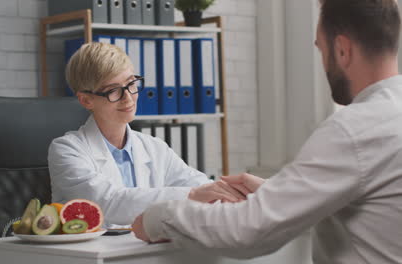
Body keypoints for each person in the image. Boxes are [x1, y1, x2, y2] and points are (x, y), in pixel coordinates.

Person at [132, 0, 402, 263]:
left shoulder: (355, 128)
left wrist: (159, 217)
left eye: (321, 50)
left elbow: (246, 232)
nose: (324, 63)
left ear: (342, 50)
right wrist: (279, 193)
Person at [48, 42, 244, 228]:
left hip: (144, 249)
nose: (128, 98)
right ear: (86, 100)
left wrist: (230, 194)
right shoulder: (67, 150)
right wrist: (192, 195)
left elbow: (196, 183)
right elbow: (108, 202)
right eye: (114, 91)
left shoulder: (154, 148)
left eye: (131, 84)